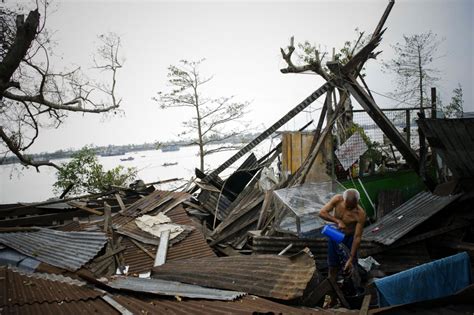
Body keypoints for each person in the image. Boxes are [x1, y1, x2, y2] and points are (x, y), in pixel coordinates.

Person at [319, 188, 366, 281]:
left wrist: (351, 258)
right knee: (333, 265)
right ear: (343, 199)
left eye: (352, 207)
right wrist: (337, 221)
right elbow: (322, 213)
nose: (349, 209)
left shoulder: (360, 214)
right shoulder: (337, 200)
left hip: (349, 239)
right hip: (336, 235)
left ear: (357, 202)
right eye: (347, 206)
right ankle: (332, 285)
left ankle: (353, 286)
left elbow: (357, 238)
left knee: (350, 267)